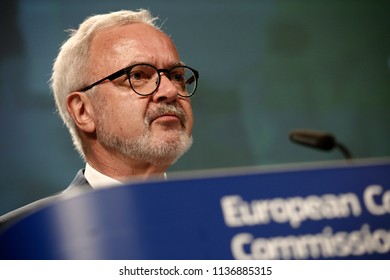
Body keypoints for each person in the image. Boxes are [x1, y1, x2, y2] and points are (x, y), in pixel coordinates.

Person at [0, 9, 199, 229]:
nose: (170, 90)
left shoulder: (226, 219)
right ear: (83, 111)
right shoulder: (18, 238)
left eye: (177, 76)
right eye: (138, 75)